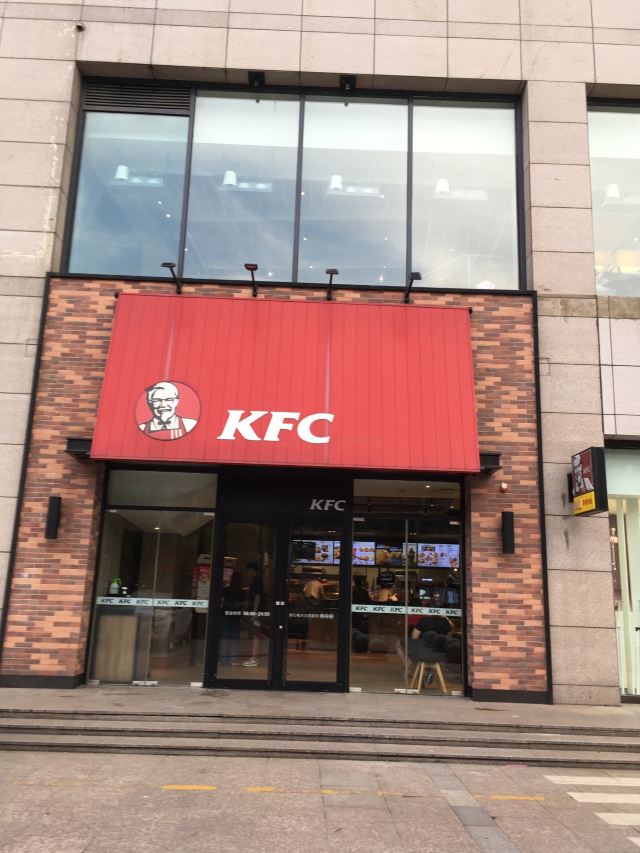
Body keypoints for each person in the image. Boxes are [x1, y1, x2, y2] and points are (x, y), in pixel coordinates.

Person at [219, 569, 245, 666]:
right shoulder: (242, 592)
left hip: (225, 615)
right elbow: (244, 604)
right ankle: (233, 659)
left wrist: (223, 585)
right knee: (234, 639)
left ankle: (223, 659)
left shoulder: (227, 589)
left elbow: (219, 597)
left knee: (224, 638)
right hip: (236, 617)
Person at [243, 562, 265, 667]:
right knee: (255, 634)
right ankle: (253, 657)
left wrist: (255, 612)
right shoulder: (258, 579)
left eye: (248, 570)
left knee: (255, 634)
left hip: (255, 610)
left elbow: (257, 595)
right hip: (256, 610)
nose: (247, 573)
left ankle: (253, 658)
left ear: (251, 570)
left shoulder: (257, 579)